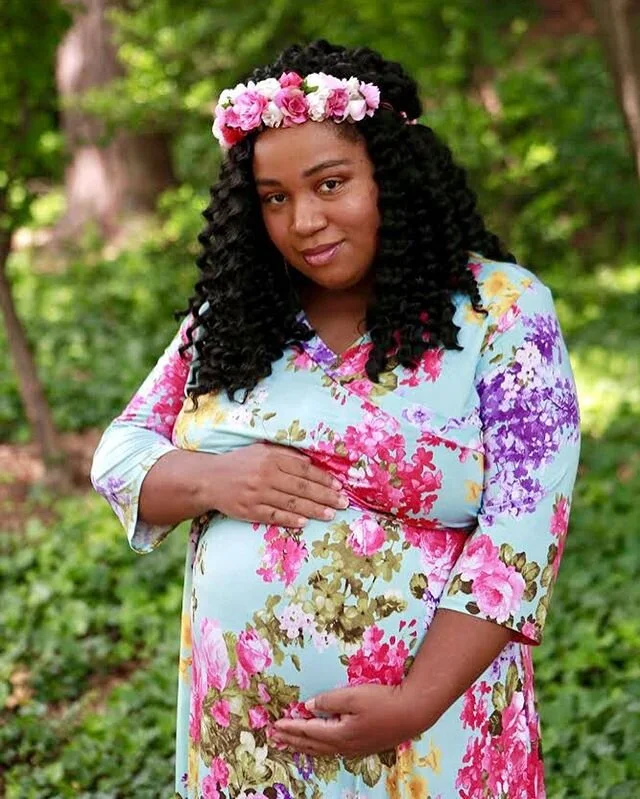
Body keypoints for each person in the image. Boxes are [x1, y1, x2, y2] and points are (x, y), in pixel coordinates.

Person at [91, 39, 580, 799]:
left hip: (431, 730)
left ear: (391, 172)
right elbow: (120, 452)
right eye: (275, 197)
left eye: (330, 183)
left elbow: (519, 542)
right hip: (248, 736)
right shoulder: (238, 318)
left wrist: (413, 704)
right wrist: (213, 478)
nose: (304, 220)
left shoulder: (503, 311)